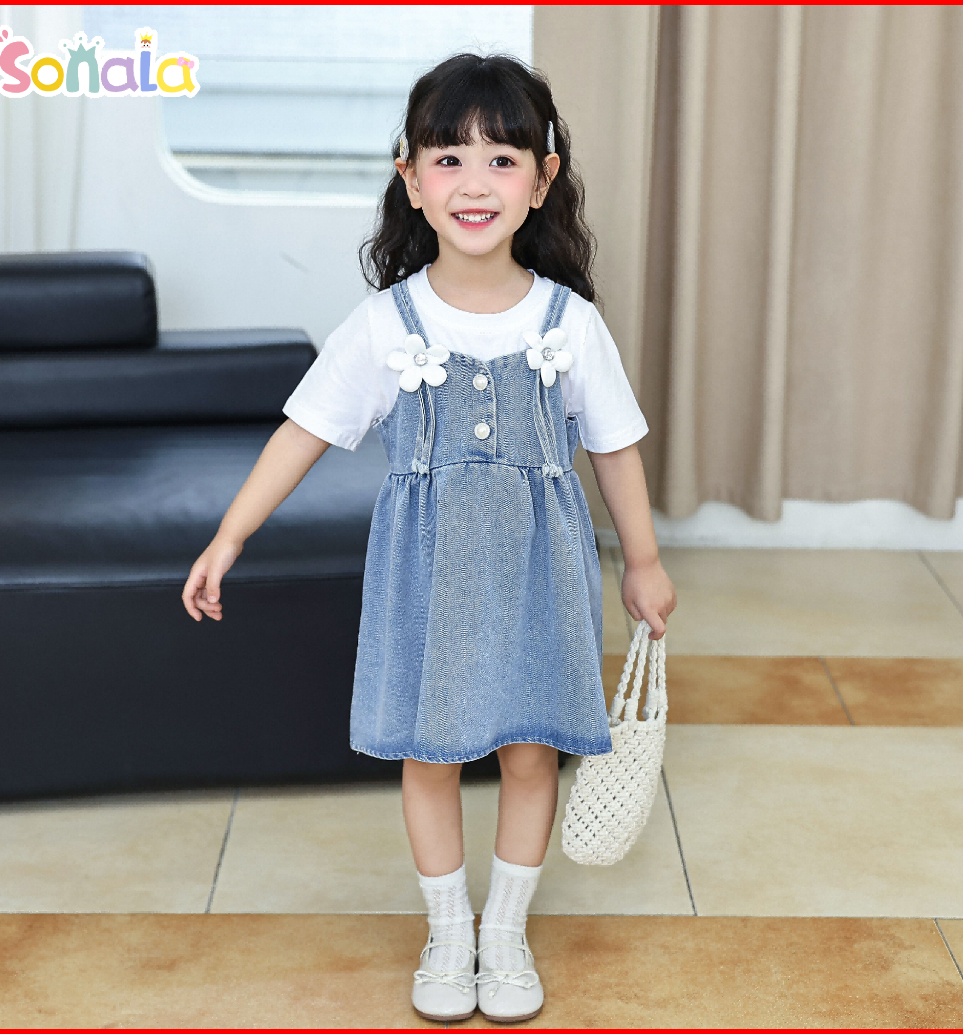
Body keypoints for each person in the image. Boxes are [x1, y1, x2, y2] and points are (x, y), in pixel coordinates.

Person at [182, 53, 676, 1025]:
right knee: (431, 756)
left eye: (501, 159)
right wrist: (231, 534)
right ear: (409, 179)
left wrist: (645, 562)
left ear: (541, 181)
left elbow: (614, 448)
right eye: (448, 158)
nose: (473, 182)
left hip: (539, 576)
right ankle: (450, 930)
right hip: (427, 578)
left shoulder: (569, 323)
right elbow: (304, 431)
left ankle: (506, 930)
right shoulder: (386, 324)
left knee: (532, 754)